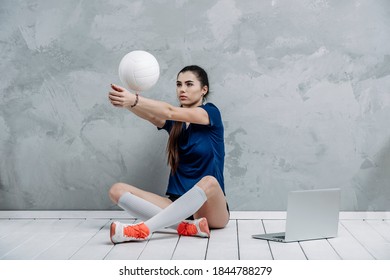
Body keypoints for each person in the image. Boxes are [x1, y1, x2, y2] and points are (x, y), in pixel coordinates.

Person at [107, 65, 229, 243]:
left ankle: (144, 230)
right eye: (179, 85)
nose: (182, 89)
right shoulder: (176, 124)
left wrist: (134, 99)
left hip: (209, 209)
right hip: (176, 204)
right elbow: (151, 115)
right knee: (117, 190)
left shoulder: (210, 113)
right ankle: (184, 227)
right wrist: (128, 104)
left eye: (189, 84)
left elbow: (170, 111)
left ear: (204, 90)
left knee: (209, 181)